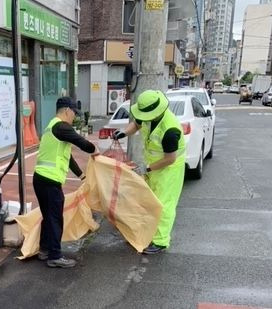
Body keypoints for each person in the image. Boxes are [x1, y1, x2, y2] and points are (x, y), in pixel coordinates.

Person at [112, 90, 185, 255]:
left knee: (164, 204)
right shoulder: (148, 115)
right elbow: (136, 124)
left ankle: (160, 241)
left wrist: (147, 168)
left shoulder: (170, 131)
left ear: (156, 112)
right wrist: (124, 132)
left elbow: (170, 159)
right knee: (148, 200)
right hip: (153, 165)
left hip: (170, 169)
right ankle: (148, 233)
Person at [33, 97, 99, 268]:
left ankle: (44, 250)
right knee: (55, 218)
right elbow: (81, 142)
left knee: (48, 216)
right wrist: (94, 151)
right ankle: (55, 256)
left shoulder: (51, 127)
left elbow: (66, 156)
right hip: (49, 181)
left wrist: (81, 175)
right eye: (73, 114)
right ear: (67, 110)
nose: (74, 117)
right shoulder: (62, 126)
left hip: (40, 179)